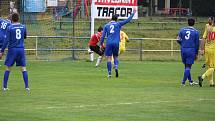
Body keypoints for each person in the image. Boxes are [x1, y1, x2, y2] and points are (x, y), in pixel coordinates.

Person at [100, 9, 136, 78]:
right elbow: (127, 20)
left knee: (109, 59)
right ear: (116, 19)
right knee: (115, 57)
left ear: (111, 18)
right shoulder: (118, 24)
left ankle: (109, 74)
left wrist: (101, 44)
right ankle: (116, 67)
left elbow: (103, 36)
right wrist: (133, 13)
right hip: (116, 43)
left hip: (109, 43)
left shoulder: (106, 26)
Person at [0, 13, 30, 91]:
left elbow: (6, 41)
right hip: (21, 49)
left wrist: (2, 51)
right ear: (18, 19)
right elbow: (25, 36)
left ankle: (5, 87)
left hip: (12, 50)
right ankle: (27, 87)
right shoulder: (23, 27)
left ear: (11, 19)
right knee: (23, 68)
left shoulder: (9, 27)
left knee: (8, 68)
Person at [177, 18, 200, 86]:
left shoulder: (182, 30)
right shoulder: (196, 32)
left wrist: (183, 44)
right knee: (188, 67)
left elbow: (177, 39)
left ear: (187, 23)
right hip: (191, 50)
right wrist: (196, 53)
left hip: (183, 49)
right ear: (194, 23)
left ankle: (190, 81)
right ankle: (183, 82)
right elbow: (197, 44)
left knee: (186, 66)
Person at [198, 17, 215, 87]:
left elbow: (203, 38)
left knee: (209, 66)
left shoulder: (208, 27)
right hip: (213, 49)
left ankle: (211, 83)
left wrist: (202, 49)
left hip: (207, 48)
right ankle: (202, 77)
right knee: (213, 67)